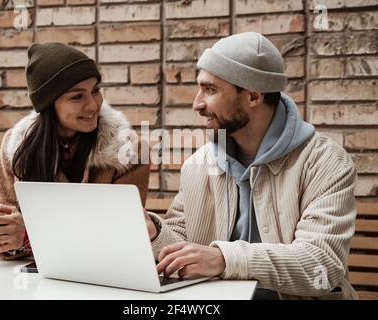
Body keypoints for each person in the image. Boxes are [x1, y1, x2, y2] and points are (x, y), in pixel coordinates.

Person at [144, 32, 358, 299]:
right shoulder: (199, 164)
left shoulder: (325, 162)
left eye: (210, 90)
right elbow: (183, 244)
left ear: (254, 96)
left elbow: (321, 264)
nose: (196, 104)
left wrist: (224, 258)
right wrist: (154, 232)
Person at [0, 42, 150, 260]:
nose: (93, 105)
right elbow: (6, 243)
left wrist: (29, 235)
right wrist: (0, 234)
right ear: (49, 104)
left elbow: (123, 234)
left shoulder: (130, 150)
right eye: (77, 96)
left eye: (95, 90)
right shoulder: (16, 147)